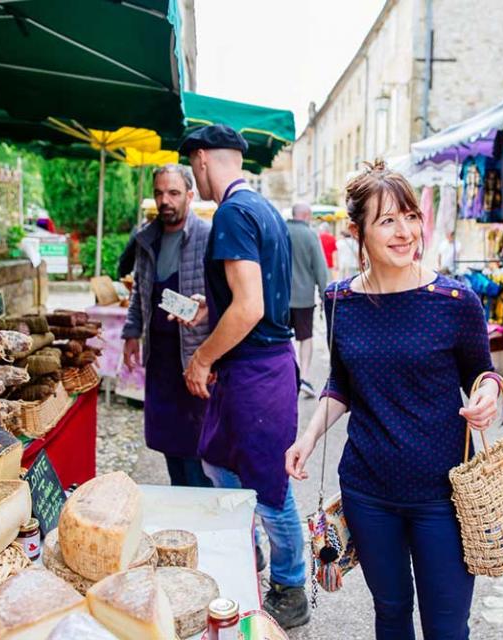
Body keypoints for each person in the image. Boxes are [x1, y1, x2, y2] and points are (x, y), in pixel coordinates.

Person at [285, 161, 500, 640]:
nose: (404, 232)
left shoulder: (455, 300)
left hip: (442, 495)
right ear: (358, 230)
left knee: (447, 627)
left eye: (410, 216)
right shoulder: (340, 299)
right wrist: (309, 436)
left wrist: (486, 394)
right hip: (368, 490)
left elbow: (481, 373)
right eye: (387, 221)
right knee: (391, 612)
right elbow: (341, 381)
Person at [178, 125, 309, 629]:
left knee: (269, 487)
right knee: (218, 464)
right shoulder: (262, 207)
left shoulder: (232, 213)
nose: (195, 176)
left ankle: (290, 587)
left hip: (255, 372)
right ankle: (243, 556)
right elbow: (251, 295)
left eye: (193, 166)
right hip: (261, 367)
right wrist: (209, 308)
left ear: (204, 159)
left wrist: (201, 358)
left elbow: (251, 307)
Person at [122, 164, 212, 488]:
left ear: (190, 195)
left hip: (193, 356)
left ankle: (202, 517)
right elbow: (139, 292)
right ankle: (180, 502)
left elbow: (225, 301)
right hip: (159, 358)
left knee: (197, 446)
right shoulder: (147, 239)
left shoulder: (209, 237)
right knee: (168, 442)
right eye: (159, 193)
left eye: (173, 193)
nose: (165, 200)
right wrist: (132, 332)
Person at [287, 203, 328, 398]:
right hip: (304, 298)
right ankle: (303, 376)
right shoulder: (311, 235)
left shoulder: (281, 231)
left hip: (281, 298)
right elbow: (320, 269)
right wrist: (323, 294)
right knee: (305, 338)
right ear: (307, 215)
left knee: (282, 337)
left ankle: (287, 376)